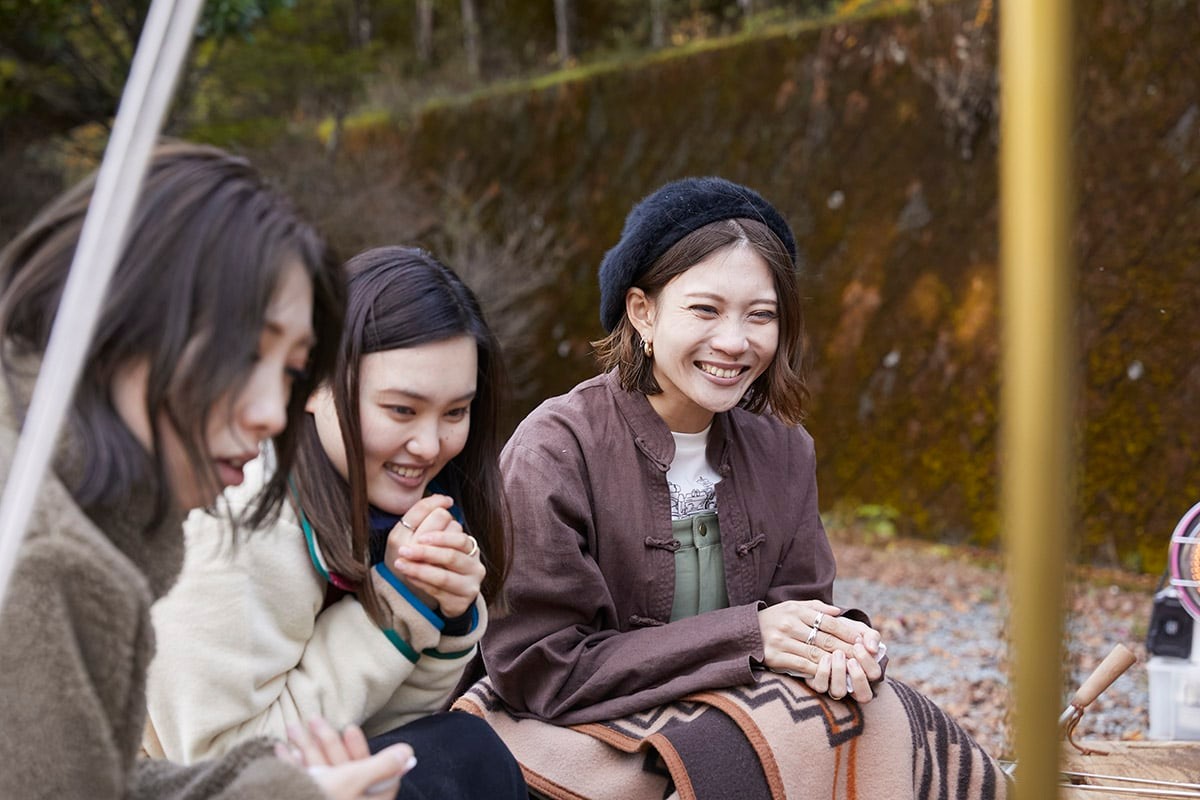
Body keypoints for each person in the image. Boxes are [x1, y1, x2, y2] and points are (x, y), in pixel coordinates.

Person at [469, 177, 1009, 799]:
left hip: (736, 708)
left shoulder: (783, 448)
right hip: (575, 728)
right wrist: (750, 637)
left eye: (761, 315)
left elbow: (796, 615)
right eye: (705, 310)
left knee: (887, 713)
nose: (734, 342)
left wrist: (836, 643)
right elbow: (541, 669)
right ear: (642, 311)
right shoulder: (554, 449)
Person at [0, 142, 419, 799]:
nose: (269, 412)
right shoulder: (48, 556)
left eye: (288, 371)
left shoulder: (77, 509)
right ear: (126, 317)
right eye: (242, 352)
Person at [144, 245, 527, 799]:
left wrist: (440, 611)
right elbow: (222, 765)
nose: (428, 444)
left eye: (455, 412)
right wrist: (395, 607)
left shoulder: (387, 502)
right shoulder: (235, 520)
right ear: (314, 383)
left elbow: (386, 725)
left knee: (462, 750)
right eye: (401, 409)